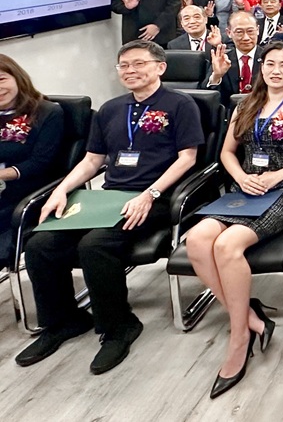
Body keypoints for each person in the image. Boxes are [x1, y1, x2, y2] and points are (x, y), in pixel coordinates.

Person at [16, 41, 202, 373]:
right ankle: (62, 321)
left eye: (138, 63)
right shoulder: (111, 109)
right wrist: (61, 190)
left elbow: (187, 158)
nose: (130, 71)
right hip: (107, 198)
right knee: (40, 244)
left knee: (95, 245)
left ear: (160, 67)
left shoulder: (180, 104)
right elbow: (92, 160)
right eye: (124, 66)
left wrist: (150, 194)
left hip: (155, 198)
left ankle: (119, 327)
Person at [185, 42, 283, 398]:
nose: (275, 70)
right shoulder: (246, 104)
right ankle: (251, 317)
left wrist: (277, 176)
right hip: (245, 188)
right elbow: (227, 152)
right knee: (197, 241)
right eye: (270, 64)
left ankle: (239, 338)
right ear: (261, 68)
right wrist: (240, 177)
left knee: (227, 245)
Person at [0, 55, 65, 264]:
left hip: (25, 193)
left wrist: (2, 175)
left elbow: (40, 163)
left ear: (17, 77)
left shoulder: (47, 112)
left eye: (1, 80)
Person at [204, 12, 263, 99]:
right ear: (229, 33)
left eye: (250, 31)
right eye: (239, 32)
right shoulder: (222, 59)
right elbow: (207, 95)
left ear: (257, 30)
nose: (246, 38)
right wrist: (217, 76)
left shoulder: (268, 58)